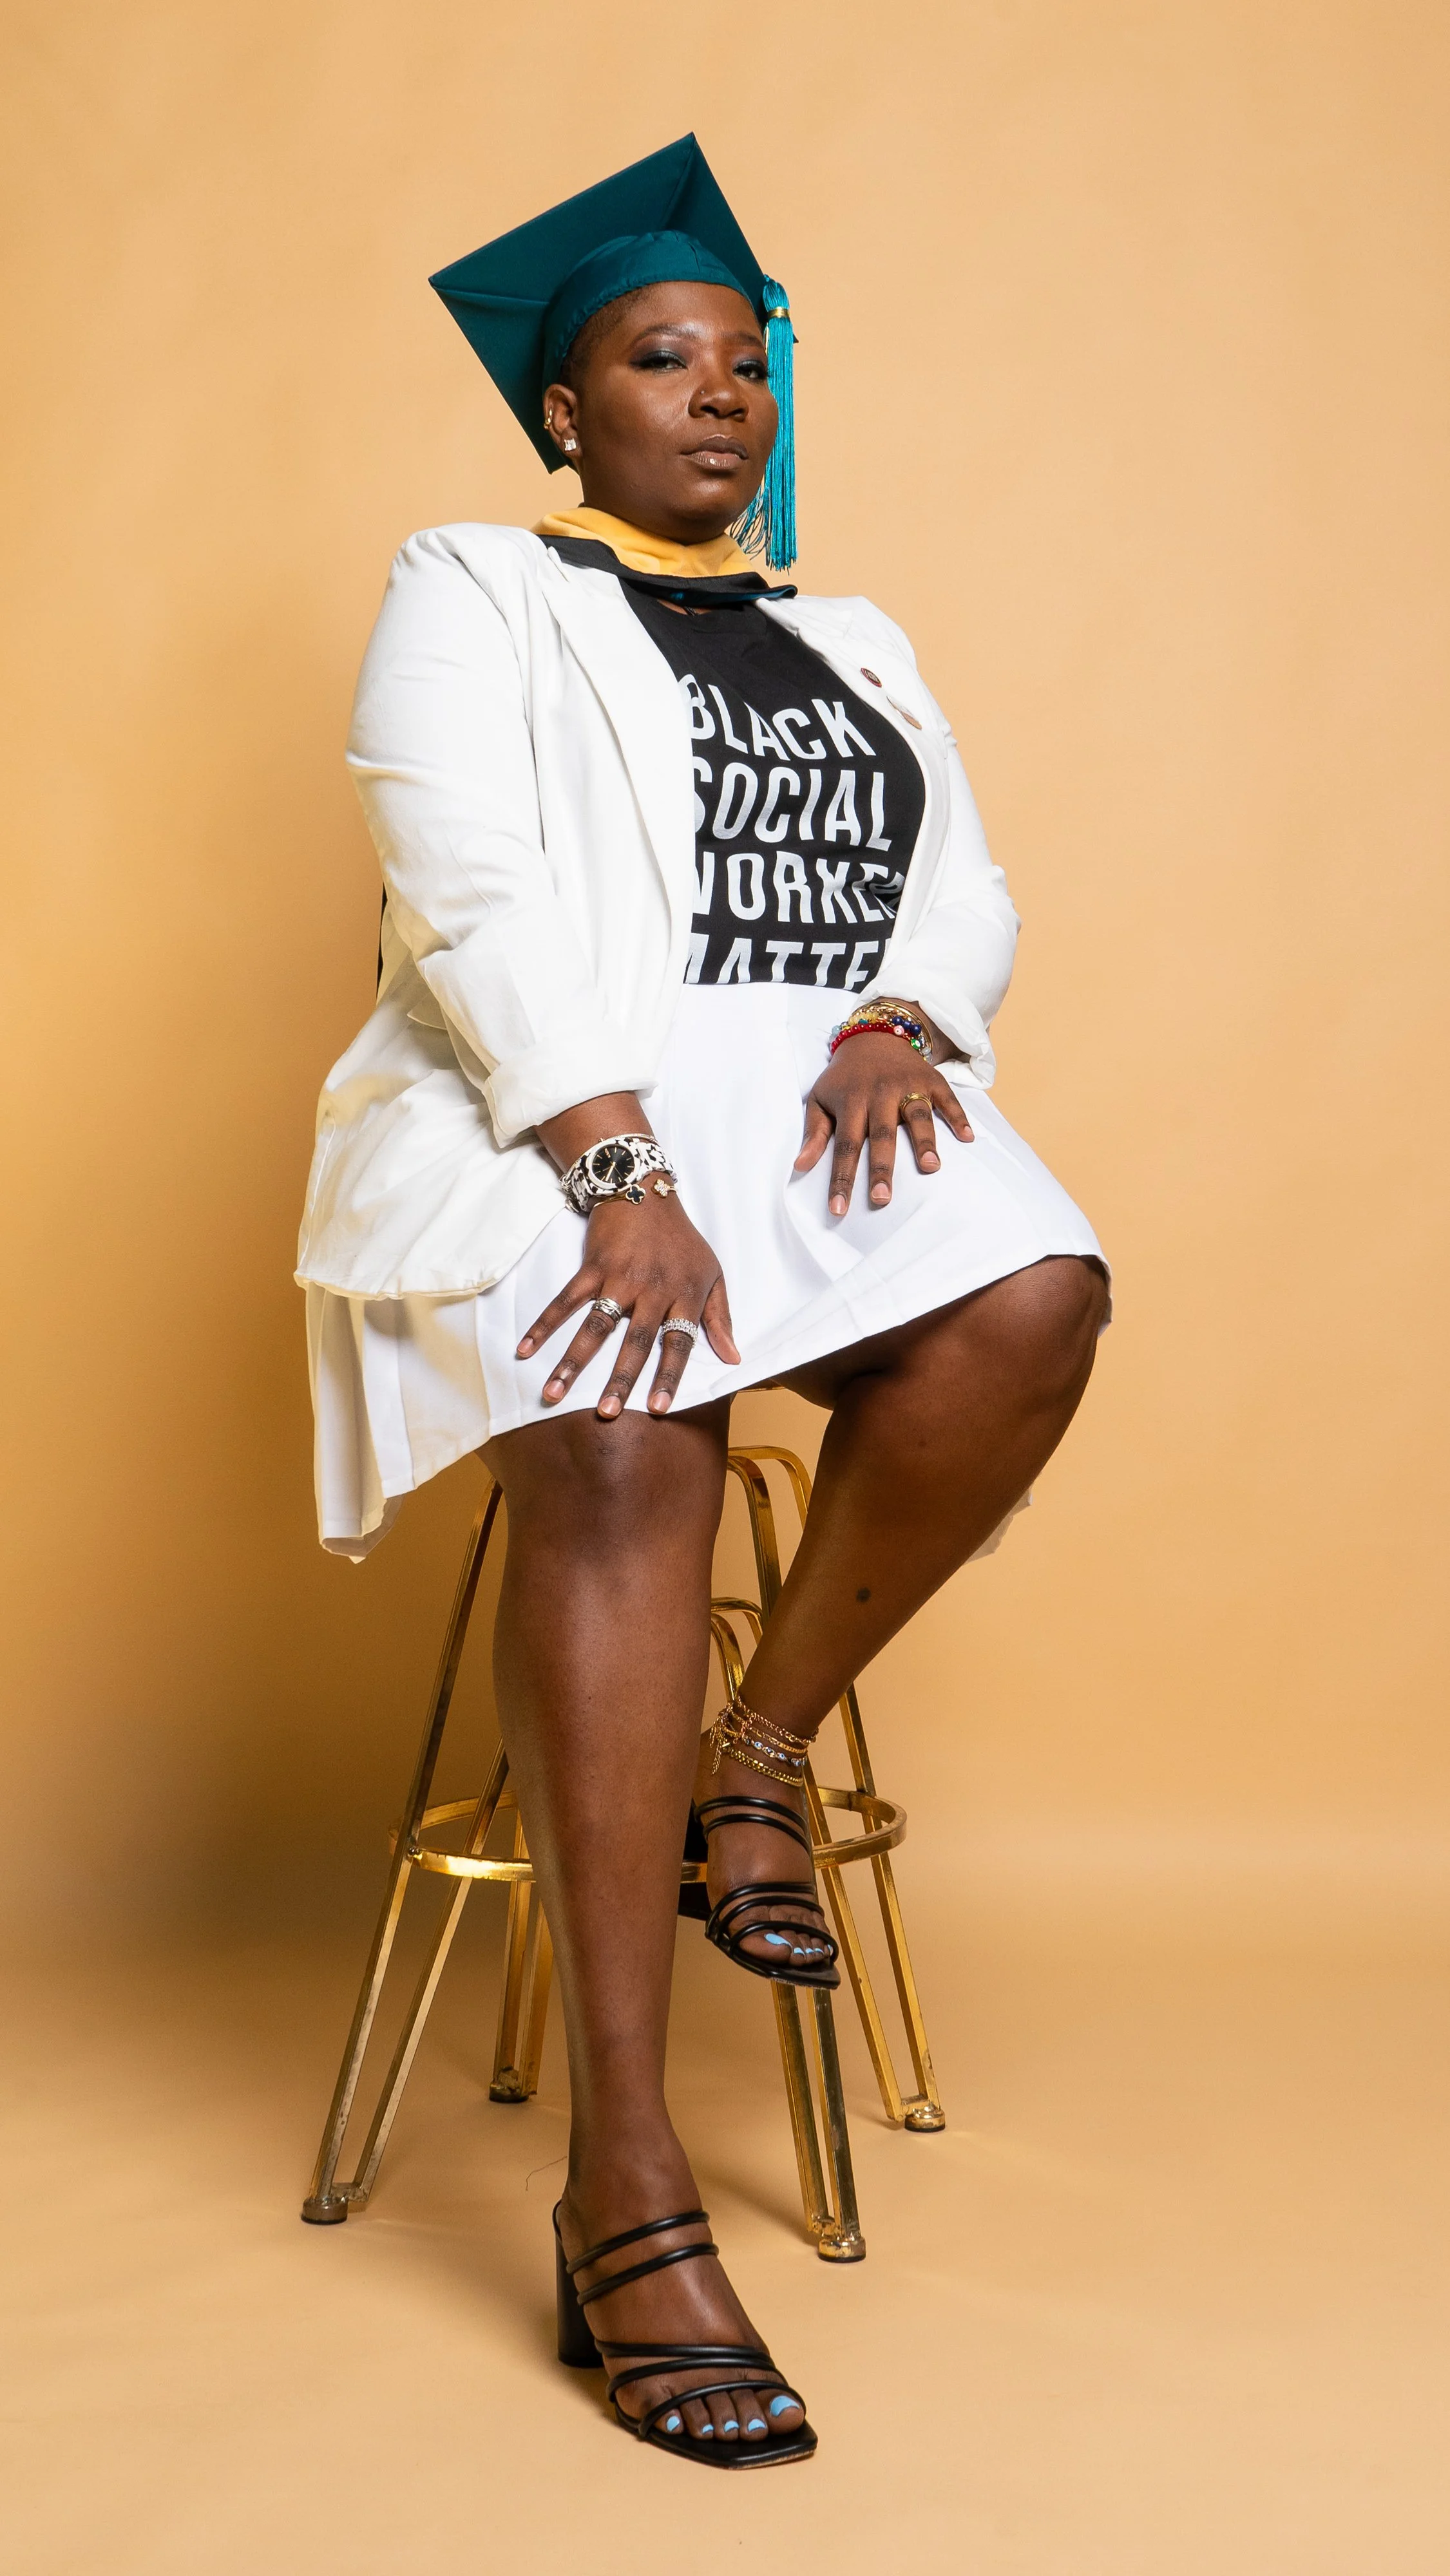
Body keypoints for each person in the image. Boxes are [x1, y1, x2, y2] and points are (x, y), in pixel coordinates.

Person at [296, 135, 1109, 2468]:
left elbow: (957, 880)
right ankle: (627, 2186)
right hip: (547, 1115)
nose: (719, 397)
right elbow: (457, 878)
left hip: (806, 1109)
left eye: (746, 364)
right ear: (569, 412)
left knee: (1039, 1293)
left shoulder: (854, 637)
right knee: (639, 1428)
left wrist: (904, 1023)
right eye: (663, 360)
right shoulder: (473, 583)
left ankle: (748, 1758)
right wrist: (616, 1162)